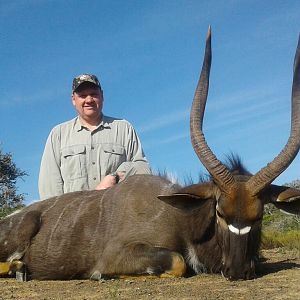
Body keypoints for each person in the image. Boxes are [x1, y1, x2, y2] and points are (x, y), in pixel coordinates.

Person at [38, 74, 151, 200]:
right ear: (73, 99)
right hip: (74, 216)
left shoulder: (124, 128)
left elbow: (142, 167)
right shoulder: (58, 134)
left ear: (102, 96)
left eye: (94, 94)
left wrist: (115, 177)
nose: (89, 100)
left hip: (116, 213)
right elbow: (49, 186)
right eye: (82, 95)